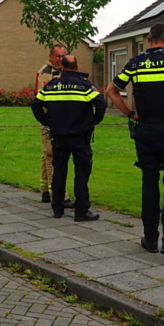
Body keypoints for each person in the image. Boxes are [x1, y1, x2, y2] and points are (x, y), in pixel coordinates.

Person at [105, 23, 164, 263]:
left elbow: (111, 90)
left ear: (147, 39)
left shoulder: (135, 64)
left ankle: (150, 239)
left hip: (146, 130)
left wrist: (130, 113)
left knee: (149, 183)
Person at [31, 55, 107, 221]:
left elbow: (35, 104)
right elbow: (101, 103)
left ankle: (57, 209)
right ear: (76, 66)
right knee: (81, 173)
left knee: (59, 172)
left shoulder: (51, 86)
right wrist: (94, 121)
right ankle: (81, 211)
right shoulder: (85, 86)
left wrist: (47, 122)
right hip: (80, 137)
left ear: (62, 67)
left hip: (58, 136)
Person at [35, 45, 68, 204]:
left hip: (56, 119)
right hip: (50, 120)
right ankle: (59, 194)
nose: (60, 59)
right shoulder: (47, 73)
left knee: (45, 155)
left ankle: (45, 191)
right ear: (50, 56)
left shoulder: (59, 71)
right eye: (57, 56)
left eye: (63, 56)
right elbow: (45, 98)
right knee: (52, 156)